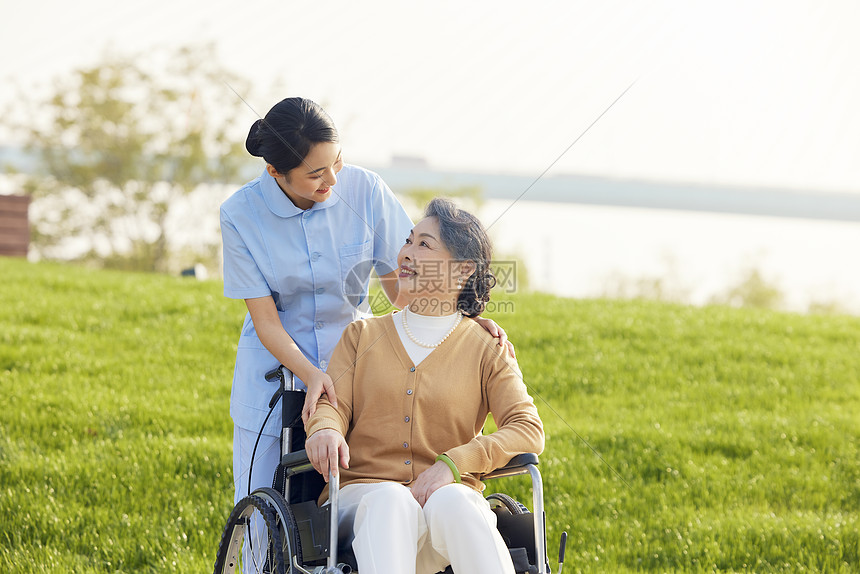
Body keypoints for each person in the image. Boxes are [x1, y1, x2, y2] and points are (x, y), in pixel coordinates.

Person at [220, 97, 511, 504]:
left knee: (354, 503)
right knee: (260, 517)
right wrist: (311, 374)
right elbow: (266, 322)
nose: (333, 182)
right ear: (275, 172)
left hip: (359, 370)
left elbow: (406, 283)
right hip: (273, 374)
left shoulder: (366, 190)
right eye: (316, 174)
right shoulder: (240, 214)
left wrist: (456, 320)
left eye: (337, 163)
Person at [305, 198, 544, 574]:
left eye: (424, 245)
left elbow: (528, 430)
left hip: (441, 510)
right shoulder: (362, 334)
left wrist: (455, 465)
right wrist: (324, 430)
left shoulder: (487, 349)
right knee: (390, 500)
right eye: (408, 240)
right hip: (363, 501)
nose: (406, 253)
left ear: (462, 271)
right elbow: (333, 406)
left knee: (459, 503)